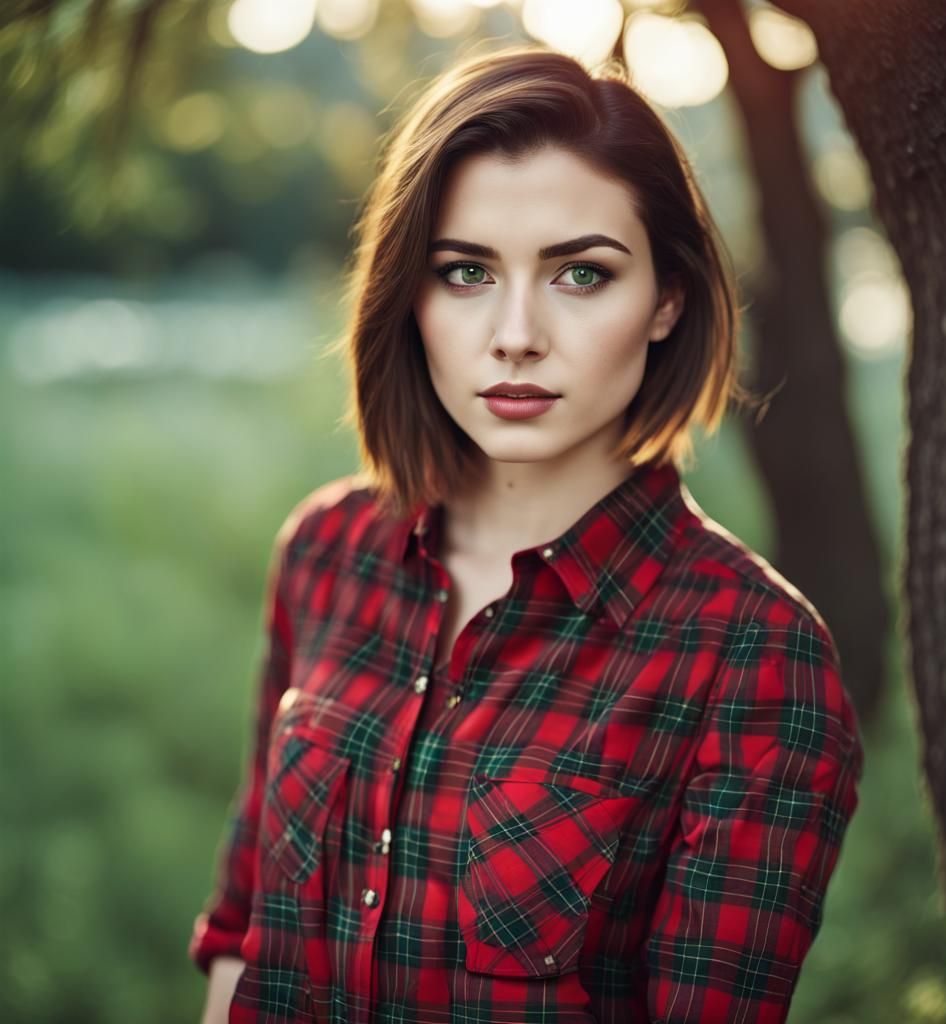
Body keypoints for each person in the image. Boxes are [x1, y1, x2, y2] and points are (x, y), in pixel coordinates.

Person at [190, 43, 865, 1024]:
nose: (515, 333)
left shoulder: (753, 655)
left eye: (579, 275)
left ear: (667, 297)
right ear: (408, 299)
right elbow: (242, 937)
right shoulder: (326, 549)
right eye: (464, 271)